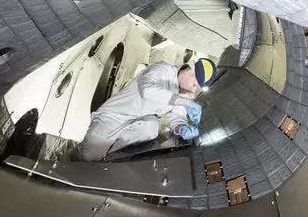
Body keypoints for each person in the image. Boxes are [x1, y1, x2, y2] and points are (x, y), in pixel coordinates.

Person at [76, 58, 217, 161]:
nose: (192, 91)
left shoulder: (183, 94)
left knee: (151, 128)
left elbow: (176, 116)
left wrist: (181, 128)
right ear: (189, 72)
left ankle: (108, 155)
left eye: (196, 89)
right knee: (88, 157)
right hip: (113, 116)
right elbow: (148, 91)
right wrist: (185, 102)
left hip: (137, 122)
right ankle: (92, 152)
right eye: (194, 85)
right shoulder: (162, 69)